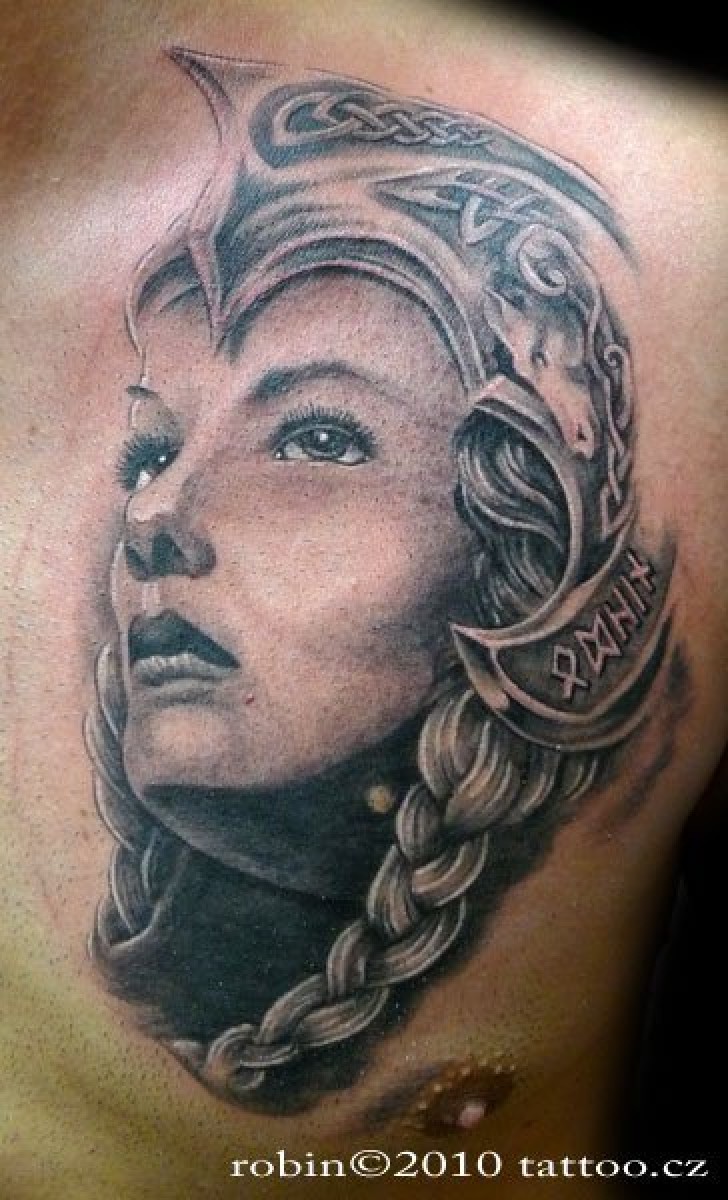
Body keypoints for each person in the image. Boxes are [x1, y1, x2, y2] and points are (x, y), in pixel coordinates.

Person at [1, 4, 726, 1195]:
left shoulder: (692, 229)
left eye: (318, 438)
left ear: (520, 550)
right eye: (150, 452)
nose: (153, 514)